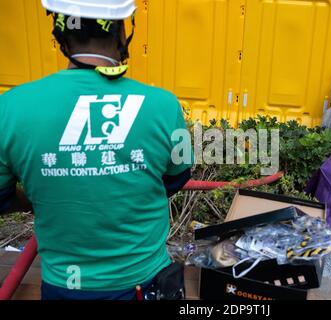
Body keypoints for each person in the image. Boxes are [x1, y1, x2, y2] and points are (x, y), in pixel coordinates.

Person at [0, 0, 193, 300]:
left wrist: (48, 193)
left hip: (64, 286)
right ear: (121, 31)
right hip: (144, 284)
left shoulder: (9, 108)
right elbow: (176, 179)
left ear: (60, 33)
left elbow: (2, 197)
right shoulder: (164, 106)